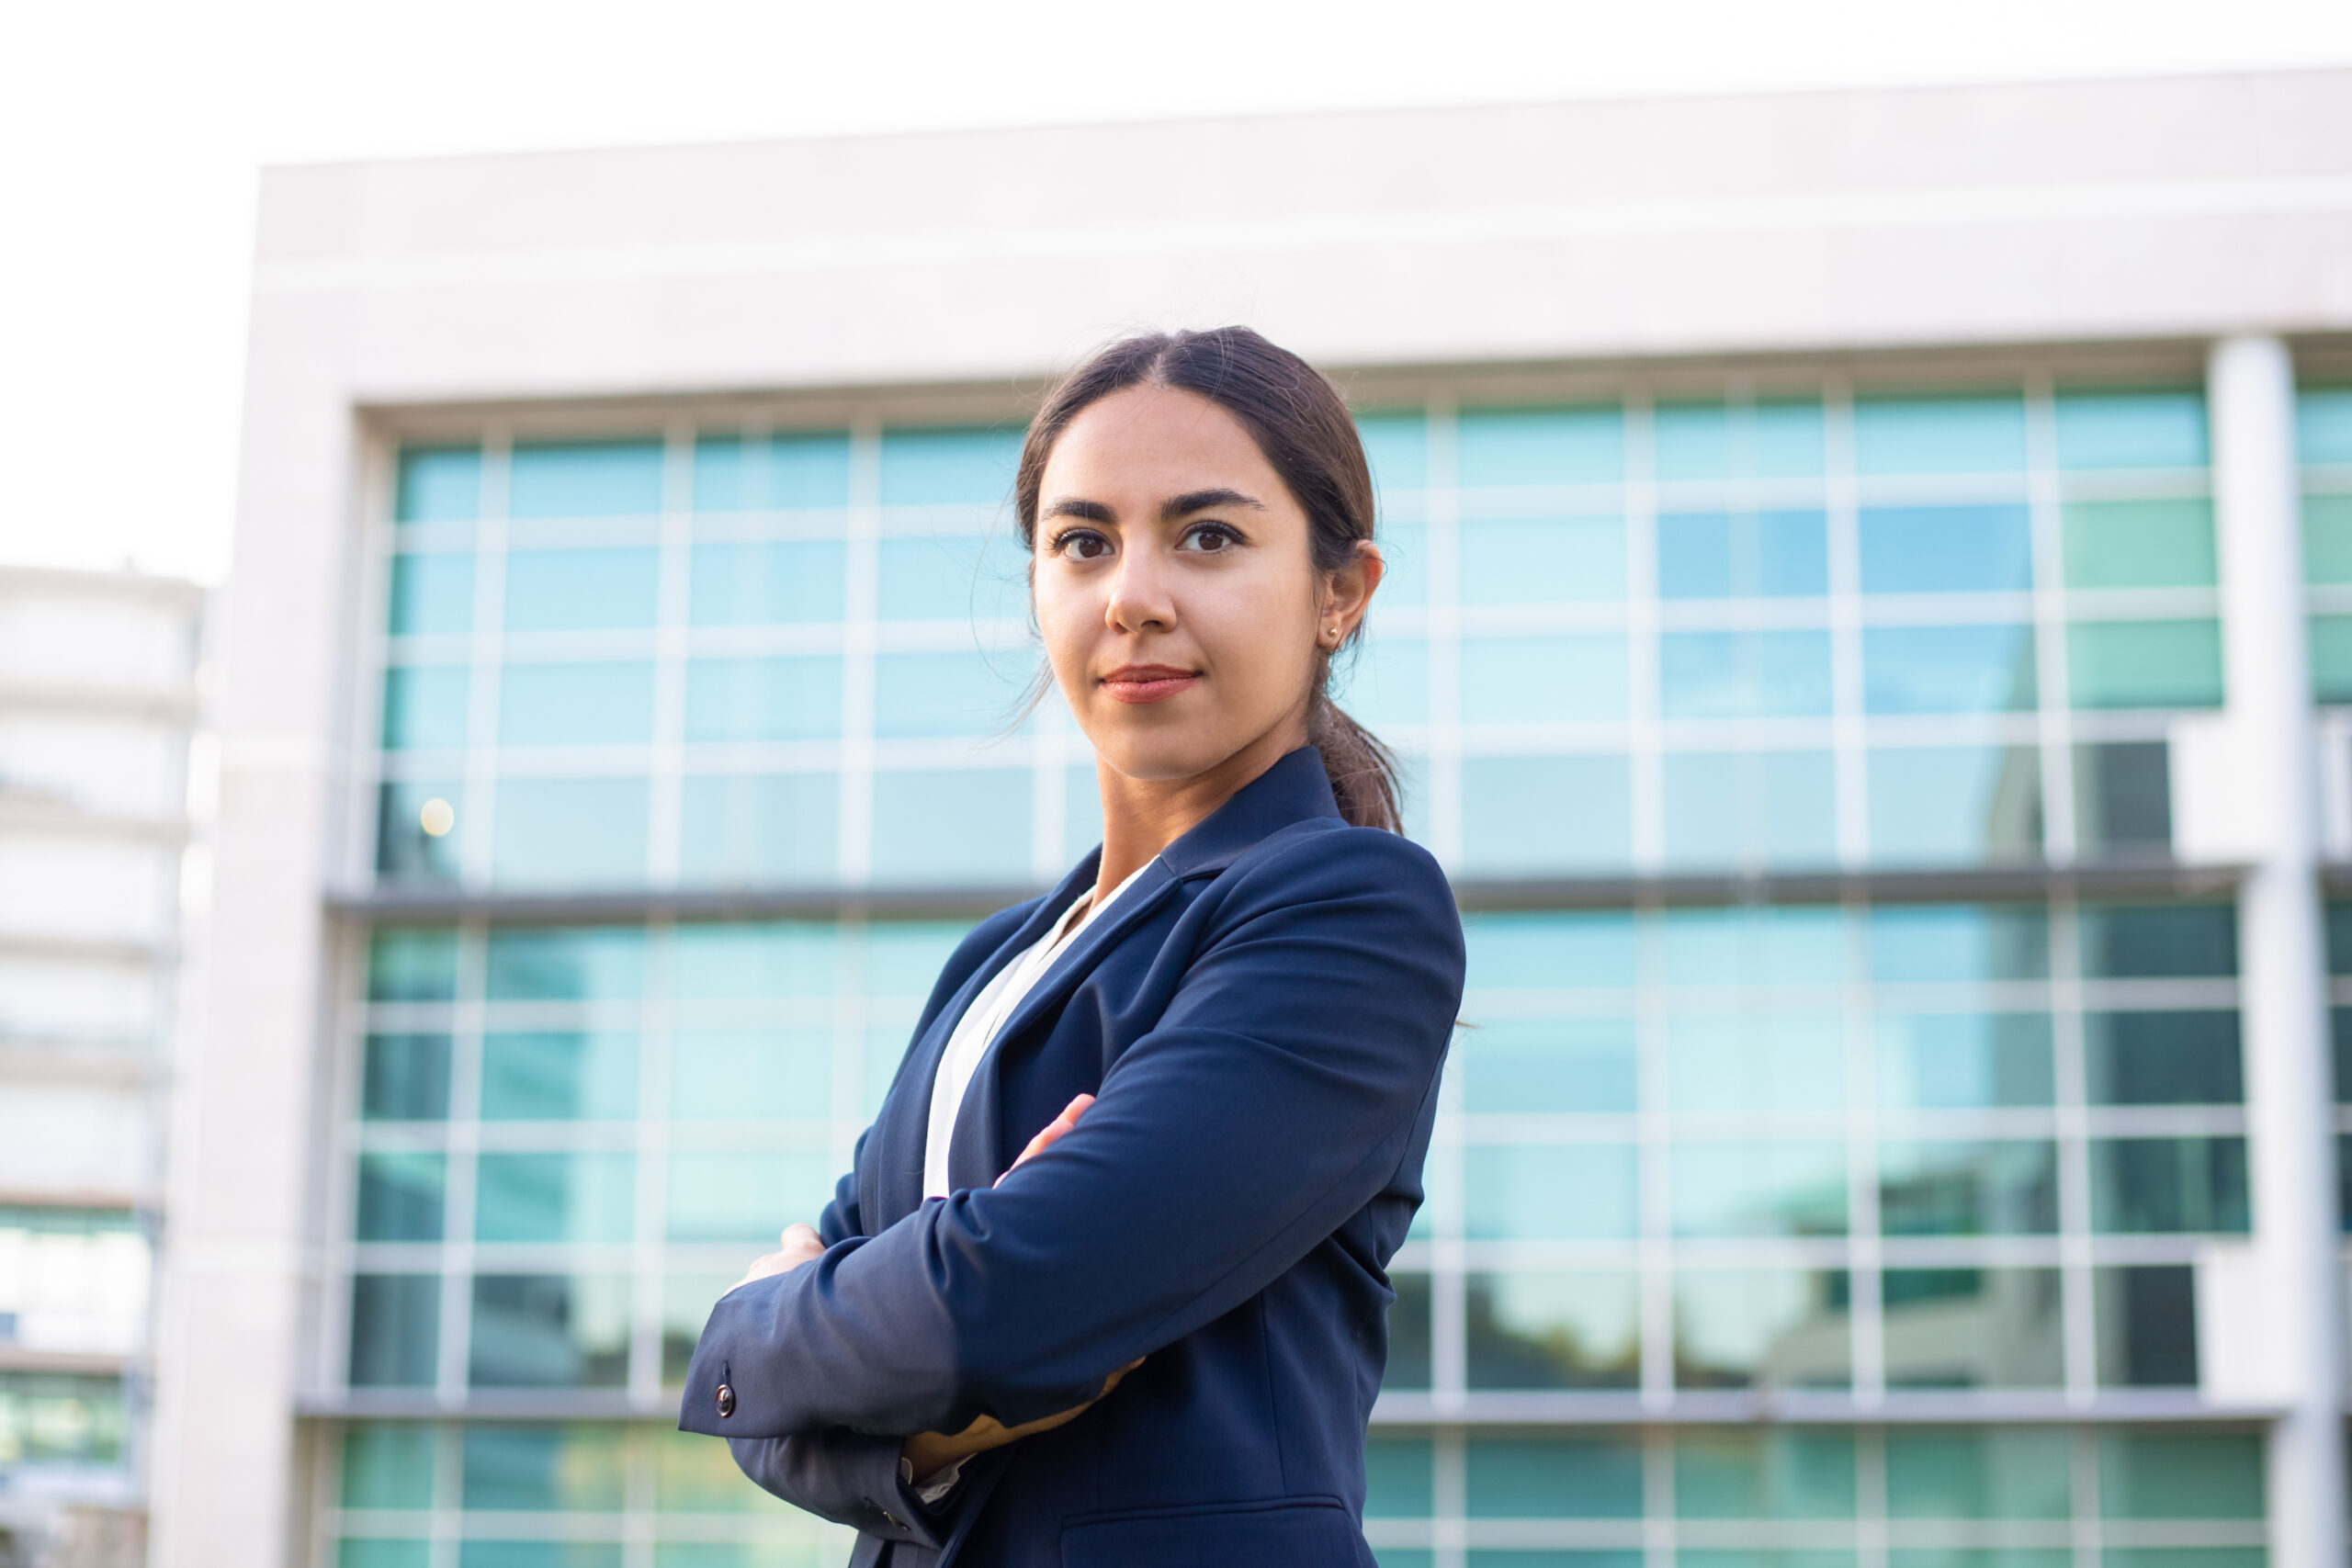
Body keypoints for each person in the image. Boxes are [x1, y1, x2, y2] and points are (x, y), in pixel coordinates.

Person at [677, 326, 1467, 1567]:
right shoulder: (999, 960)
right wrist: (879, 1400)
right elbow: (787, 1408)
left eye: (1208, 536)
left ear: (1339, 592)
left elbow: (1009, 1301)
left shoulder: (1349, 909)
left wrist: (773, 1321)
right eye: (1084, 542)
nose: (1133, 597)